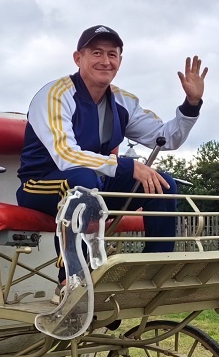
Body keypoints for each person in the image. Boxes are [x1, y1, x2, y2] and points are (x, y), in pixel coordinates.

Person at [17, 24, 207, 270]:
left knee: (163, 183)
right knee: (82, 182)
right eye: (96, 53)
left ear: (119, 60)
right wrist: (127, 166)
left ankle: (151, 270)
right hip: (40, 185)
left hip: (97, 187)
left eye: (112, 54)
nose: (105, 61)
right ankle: (73, 280)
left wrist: (191, 104)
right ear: (78, 58)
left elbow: (165, 137)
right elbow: (66, 155)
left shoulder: (122, 101)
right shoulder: (54, 94)